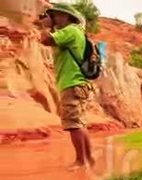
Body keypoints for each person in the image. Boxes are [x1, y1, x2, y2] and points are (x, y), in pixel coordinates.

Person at [36, 3, 95, 171]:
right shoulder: (75, 32)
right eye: (53, 16)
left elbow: (46, 39)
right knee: (79, 123)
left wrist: (44, 25)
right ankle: (88, 159)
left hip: (72, 83)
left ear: (68, 17)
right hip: (78, 83)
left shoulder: (70, 30)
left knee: (73, 124)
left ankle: (81, 161)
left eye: (56, 15)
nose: (54, 19)